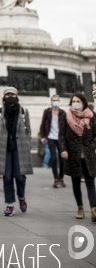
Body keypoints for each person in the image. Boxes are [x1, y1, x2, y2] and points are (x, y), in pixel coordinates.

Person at [0, 87, 33, 216]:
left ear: (17, 96)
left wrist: (28, 144)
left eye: (13, 94)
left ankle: (21, 197)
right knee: (7, 176)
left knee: (20, 177)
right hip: (4, 147)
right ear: (4, 97)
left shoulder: (23, 111)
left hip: (20, 146)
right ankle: (10, 204)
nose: (10, 96)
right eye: (8, 94)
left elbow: (29, 130)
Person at [59, 92, 96, 221]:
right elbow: (61, 135)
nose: (75, 103)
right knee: (76, 182)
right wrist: (63, 149)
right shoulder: (65, 116)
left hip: (87, 154)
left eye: (78, 101)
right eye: (74, 101)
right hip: (73, 153)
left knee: (90, 182)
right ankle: (80, 207)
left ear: (83, 103)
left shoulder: (91, 116)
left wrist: (91, 146)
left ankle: (93, 209)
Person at [40, 95, 65, 188]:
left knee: (62, 159)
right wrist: (43, 136)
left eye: (57, 100)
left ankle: (61, 178)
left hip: (61, 138)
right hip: (50, 138)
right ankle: (56, 179)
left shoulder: (62, 113)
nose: (55, 102)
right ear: (51, 101)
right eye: (54, 100)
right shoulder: (47, 112)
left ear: (59, 101)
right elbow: (43, 124)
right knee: (54, 158)